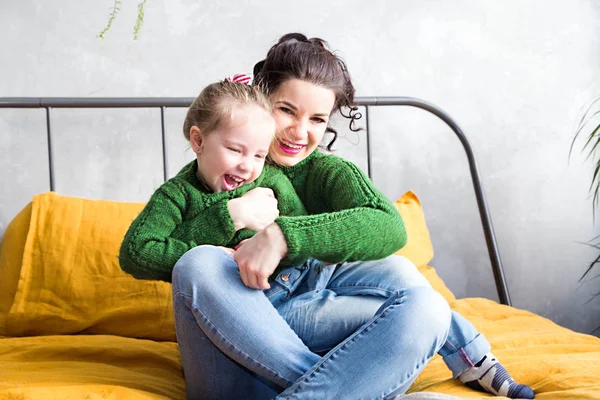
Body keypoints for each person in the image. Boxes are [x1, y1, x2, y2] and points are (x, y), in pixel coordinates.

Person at [131, 33, 535, 399]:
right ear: (257, 101)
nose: (298, 131)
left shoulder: (323, 171)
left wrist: (283, 235)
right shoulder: (192, 185)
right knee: (199, 261)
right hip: (236, 337)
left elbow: (388, 226)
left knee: (420, 300)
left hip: (306, 303)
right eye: (286, 110)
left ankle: (465, 359)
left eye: (318, 119)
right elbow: (143, 252)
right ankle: (347, 389)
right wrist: (230, 216)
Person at [119, 78, 308, 282]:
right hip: (231, 297)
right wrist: (230, 218)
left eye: (259, 156)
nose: (247, 166)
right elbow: (136, 252)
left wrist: (272, 248)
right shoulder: (176, 195)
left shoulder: (272, 180)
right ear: (198, 140)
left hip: (294, 285)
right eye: (235, 150)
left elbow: (305, 235)